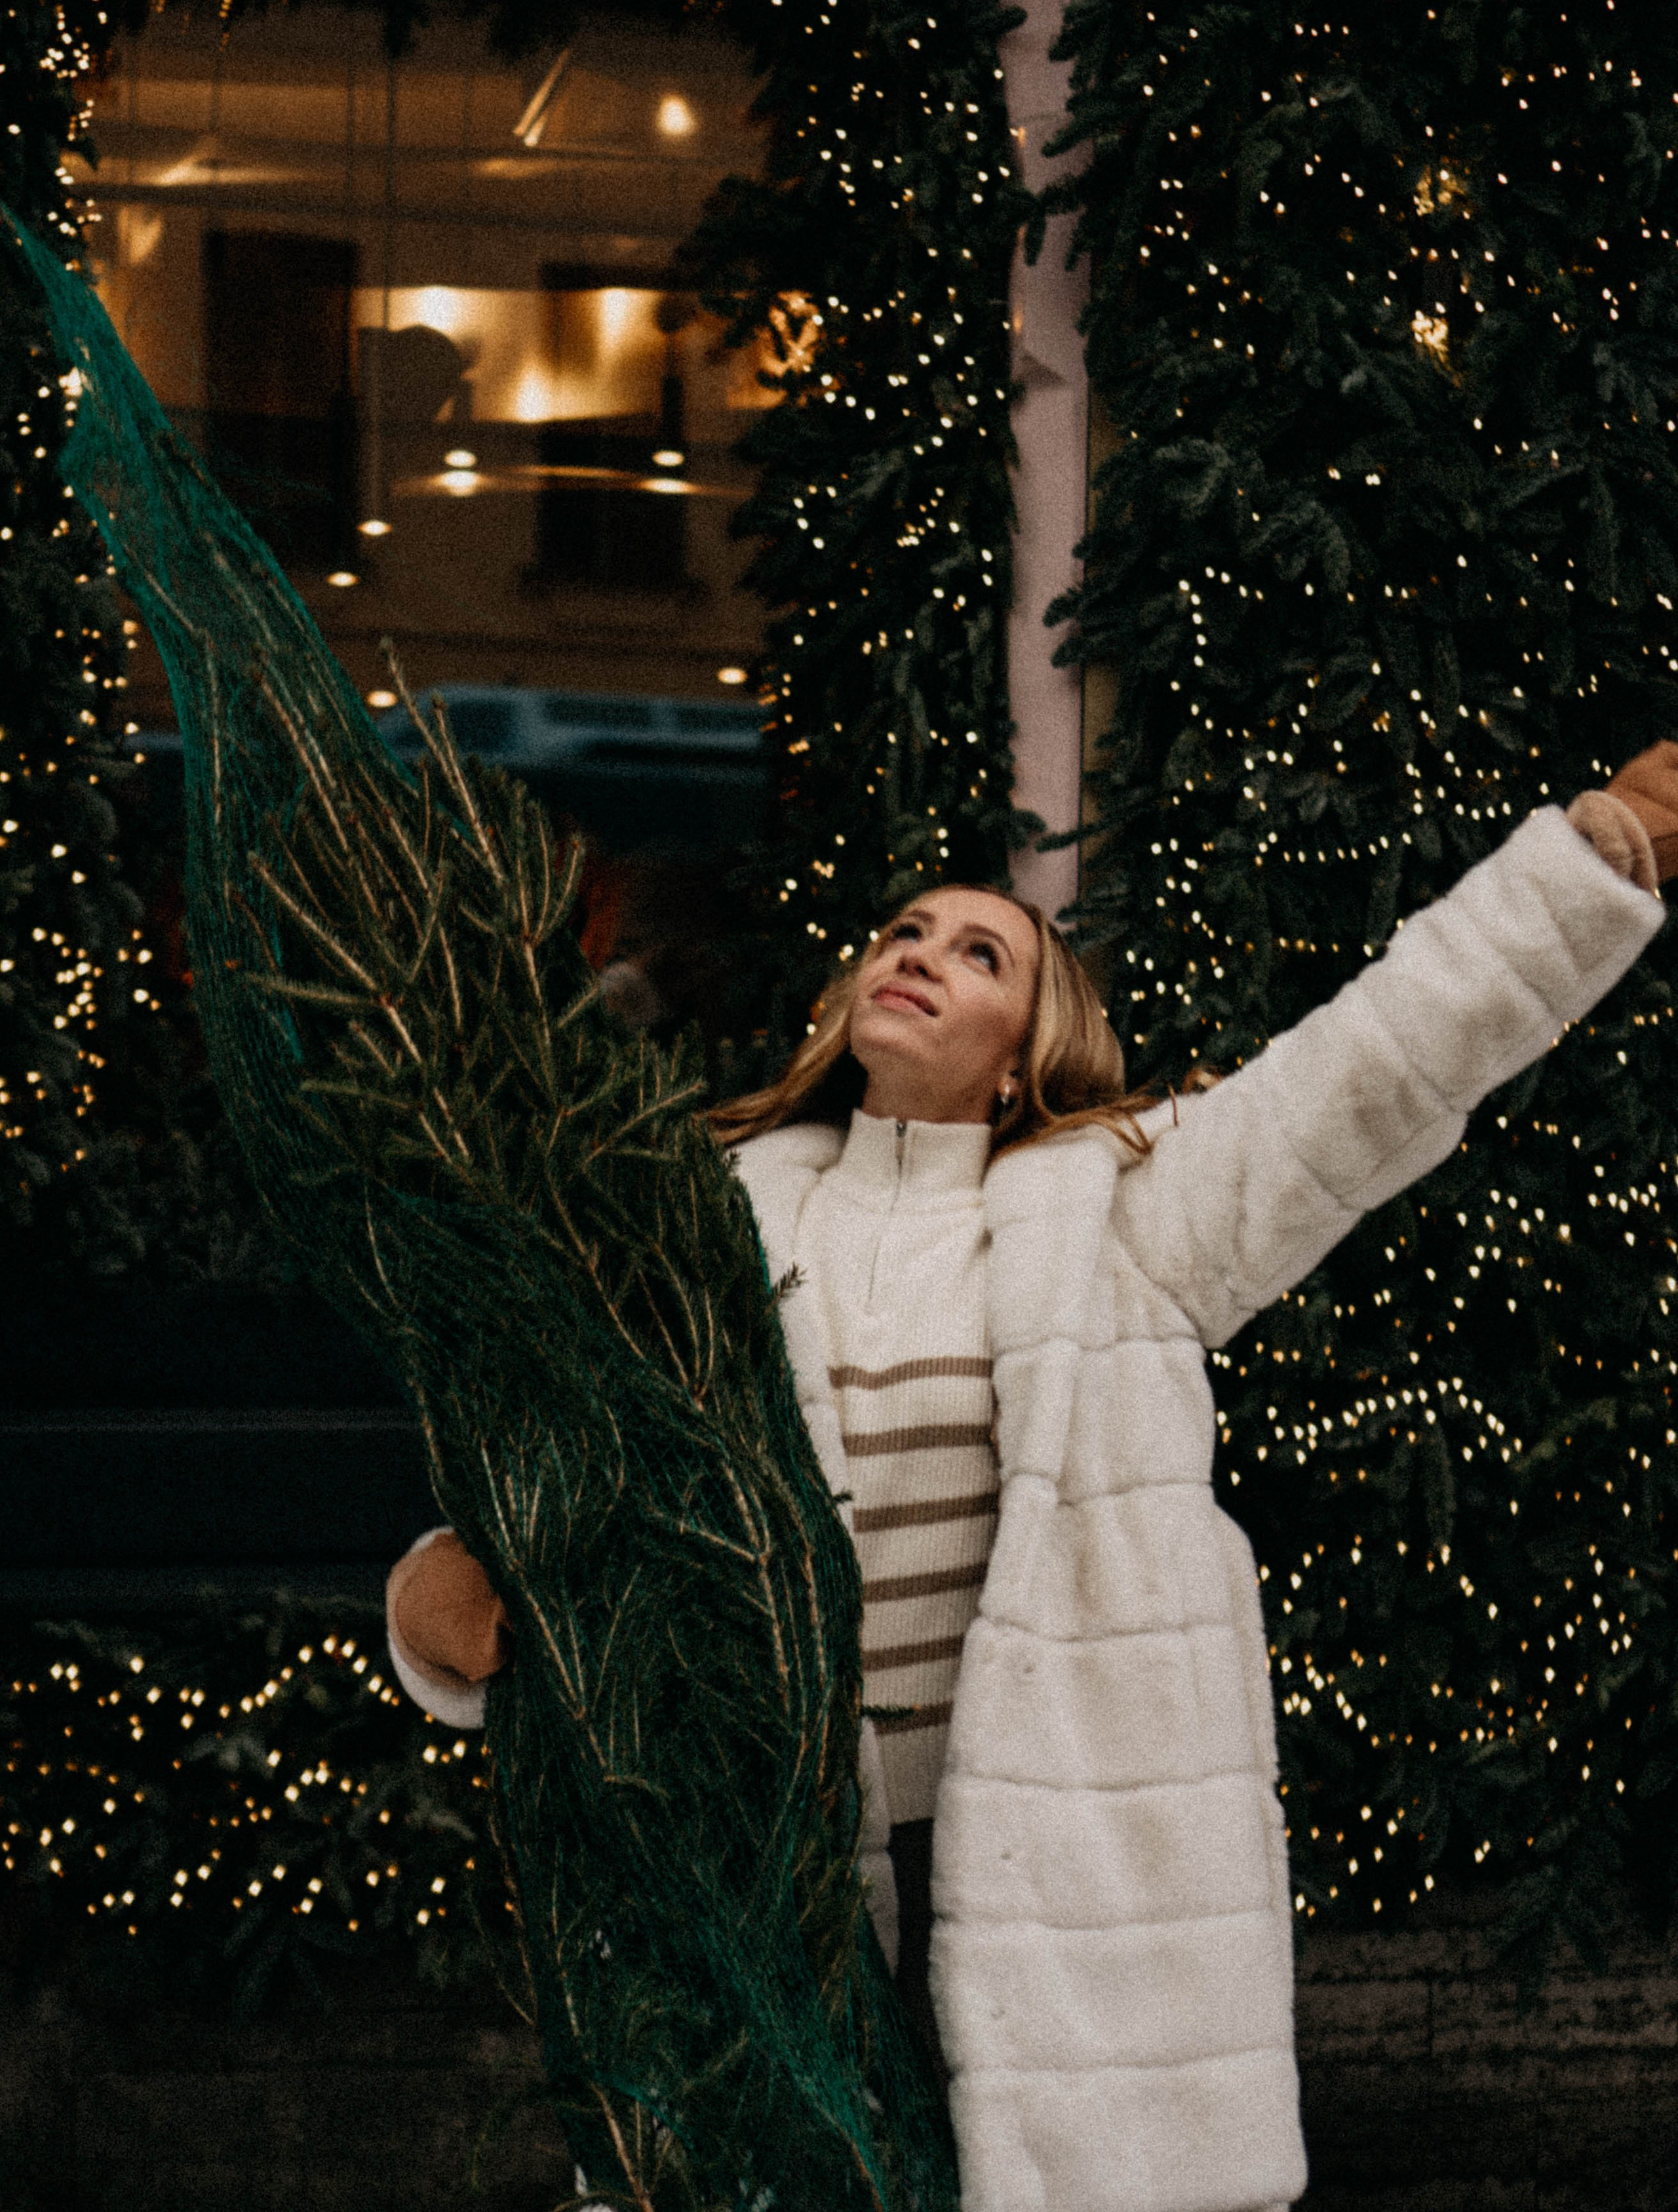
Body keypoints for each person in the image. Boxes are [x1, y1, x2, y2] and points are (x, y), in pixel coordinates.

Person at [386, 749, 1678, 2212]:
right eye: (901, 935)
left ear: (1021, 1050)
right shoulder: (702, 1217)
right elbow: (565, 1475)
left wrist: (1594, 855)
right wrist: (442, 1587)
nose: (921, 955)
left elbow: (1374, 1065)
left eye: (977, 949)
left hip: (1050, 1870)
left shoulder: (1125, 1215)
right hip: (777, 1864)